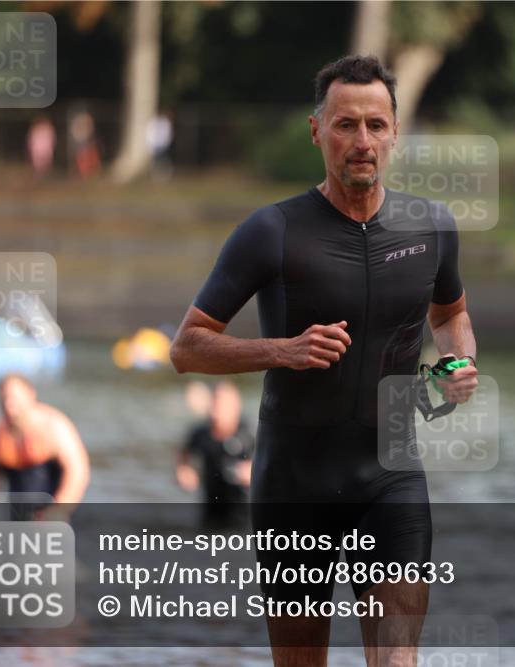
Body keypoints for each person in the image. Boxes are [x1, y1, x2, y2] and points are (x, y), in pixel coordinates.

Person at [170, 55, 479, 667]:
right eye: (345, 125)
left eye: (376, 125)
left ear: (395, 132)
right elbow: (187, 347)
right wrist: (282, 350)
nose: (362, 141)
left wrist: (457, 362)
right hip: (293, 487)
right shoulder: (272, 231)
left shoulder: (432, 228)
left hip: (390, 480)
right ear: (318, 132)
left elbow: (451, 316)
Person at [0, 373, 90, 519]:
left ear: (30, 394)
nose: (9, 407)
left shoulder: (55, 427)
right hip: (18, 516)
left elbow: (78, 472)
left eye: (14, 400)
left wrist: (59, 509)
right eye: (4, 400)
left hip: (56, 512)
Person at [176, 381, 255, 527]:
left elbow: (272, 464)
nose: (217, 410)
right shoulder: (200, 434)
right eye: (215, 403)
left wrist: (253, 472)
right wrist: (184, 470)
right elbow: (183, 454)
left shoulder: (249, 434)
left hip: (244, 517)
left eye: (223, 405)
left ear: (236, 406)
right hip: (210, 513)